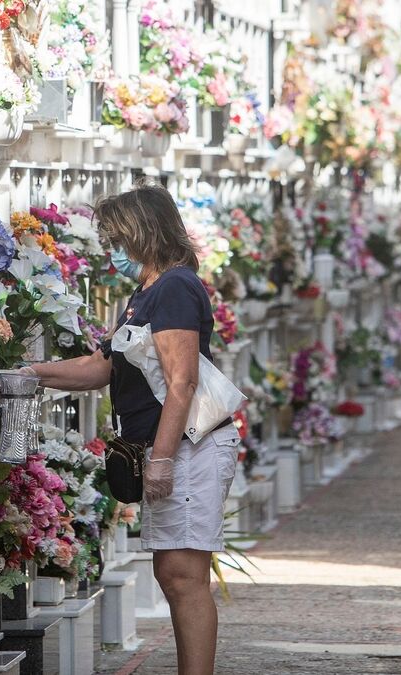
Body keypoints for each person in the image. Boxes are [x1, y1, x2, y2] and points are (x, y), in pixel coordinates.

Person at [17, 185, 238, 675]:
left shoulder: (176, 287)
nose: (110, 247)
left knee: (185, 576)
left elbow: (181, 383)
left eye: (116, 236)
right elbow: (101, 367)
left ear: (143, 233)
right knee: (172, 571)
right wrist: (29, 373)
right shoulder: (145, 293)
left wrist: (160, 459)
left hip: (188, 446)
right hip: (171, 446)